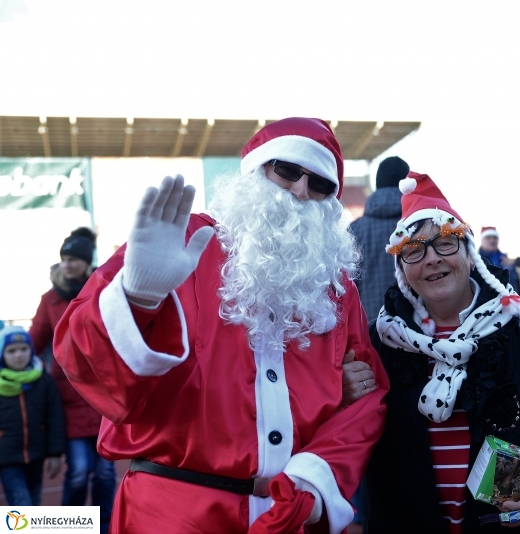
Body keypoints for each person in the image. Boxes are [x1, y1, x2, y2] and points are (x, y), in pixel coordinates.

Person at [54, 117, 389, 533]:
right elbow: (79, 354)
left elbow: (366, 401)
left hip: (288, 515)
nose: (301, 191)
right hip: (172, 514)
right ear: (256, 171)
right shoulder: (182, 241)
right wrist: (138, 298)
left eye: (319, 183)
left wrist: (310, 483)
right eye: (287, 170)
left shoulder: (336, 287)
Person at [366, 173, 520, 533]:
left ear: (469, 252)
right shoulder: (380, 341)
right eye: (414, 250)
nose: (431, 258)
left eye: (445, 242)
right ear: (402, 268)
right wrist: (346, 394)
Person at [29, 227, 117, 534]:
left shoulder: (102, 291)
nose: (67, 264)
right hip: (68, 398)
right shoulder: (50, 299)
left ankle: (105, 526)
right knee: (79, 471)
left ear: (85, 262)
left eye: (73, 259)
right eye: (64, 259)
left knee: (105, 473)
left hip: (103, 394)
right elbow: (34, 340)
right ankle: (72, 527)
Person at [347, 154, 410, 533]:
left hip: (367, 346)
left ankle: (362, 511)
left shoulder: (355, 230)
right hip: (419, 345)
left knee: (367, 429)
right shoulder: (417, 225)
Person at [0, 326, 65, 506]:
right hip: (6, 457)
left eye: (24, 349)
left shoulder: (43, 380)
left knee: (34, 503)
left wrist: (55, 454)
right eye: (11, 351)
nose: (19, 355)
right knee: (22, 503)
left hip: (37, 455)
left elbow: (54, 417)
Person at [349, 155, 409, 322]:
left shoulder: (354, 230)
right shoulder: (421, 224)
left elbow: (347, 289)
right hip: (419, 327)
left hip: (371, 327)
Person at [478, 226, 520, 294]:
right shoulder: (476, 261)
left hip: (513, 298)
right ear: (482, 240)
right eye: (488, 238)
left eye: (495, 238)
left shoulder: (506, 259)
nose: (492, 241)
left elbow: (517, 283)